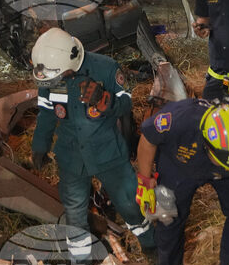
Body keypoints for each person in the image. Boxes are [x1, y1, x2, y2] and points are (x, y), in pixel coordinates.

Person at [30, 28, 154, 251]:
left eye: (59, 76)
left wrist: (103, 100)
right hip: (71, 157)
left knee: (130, 204)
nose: (56, 81)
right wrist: (40, 145)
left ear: (70, 60)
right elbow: (47, 112)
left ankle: (152, 248)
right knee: (75, 214)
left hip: (109, 153)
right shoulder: (51, 74)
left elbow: (126, 104)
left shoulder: (105, 67)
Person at [137, 103, 229, 265]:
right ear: (207, 145)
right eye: (226, 166)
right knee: (166, 217)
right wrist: (144, 180)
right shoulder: (178, 121)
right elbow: (148, 138)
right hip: (177, 163)